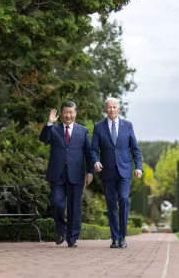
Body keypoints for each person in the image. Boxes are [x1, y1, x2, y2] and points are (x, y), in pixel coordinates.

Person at [39, 101, 93, 248]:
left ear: (75, 113)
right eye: (65, 112)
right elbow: (43, 139)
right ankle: (61, 231)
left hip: (76, 174)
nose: (68, 115)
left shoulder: (83, 131)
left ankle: (72, 237)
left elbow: (89, 153)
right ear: (61, 114)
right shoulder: (54, 129)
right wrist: (49, 123)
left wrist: (90, 171)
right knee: (57, 203)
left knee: (75, 207)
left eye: (71, 112)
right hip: (57, 174)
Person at [91, 97, 143, 248]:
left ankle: (123, 236)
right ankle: (115, 238)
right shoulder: (98, 127)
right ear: (105, 109)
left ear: (118, 109)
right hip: (107, 171)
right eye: (109, 107)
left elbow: (135, 148)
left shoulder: (127, 125)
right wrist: (95, 162)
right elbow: (94, 150)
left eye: (114, 107)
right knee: (111, 204)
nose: (112, 110)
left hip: (125, 170)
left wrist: (138, 166)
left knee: (123, 199)